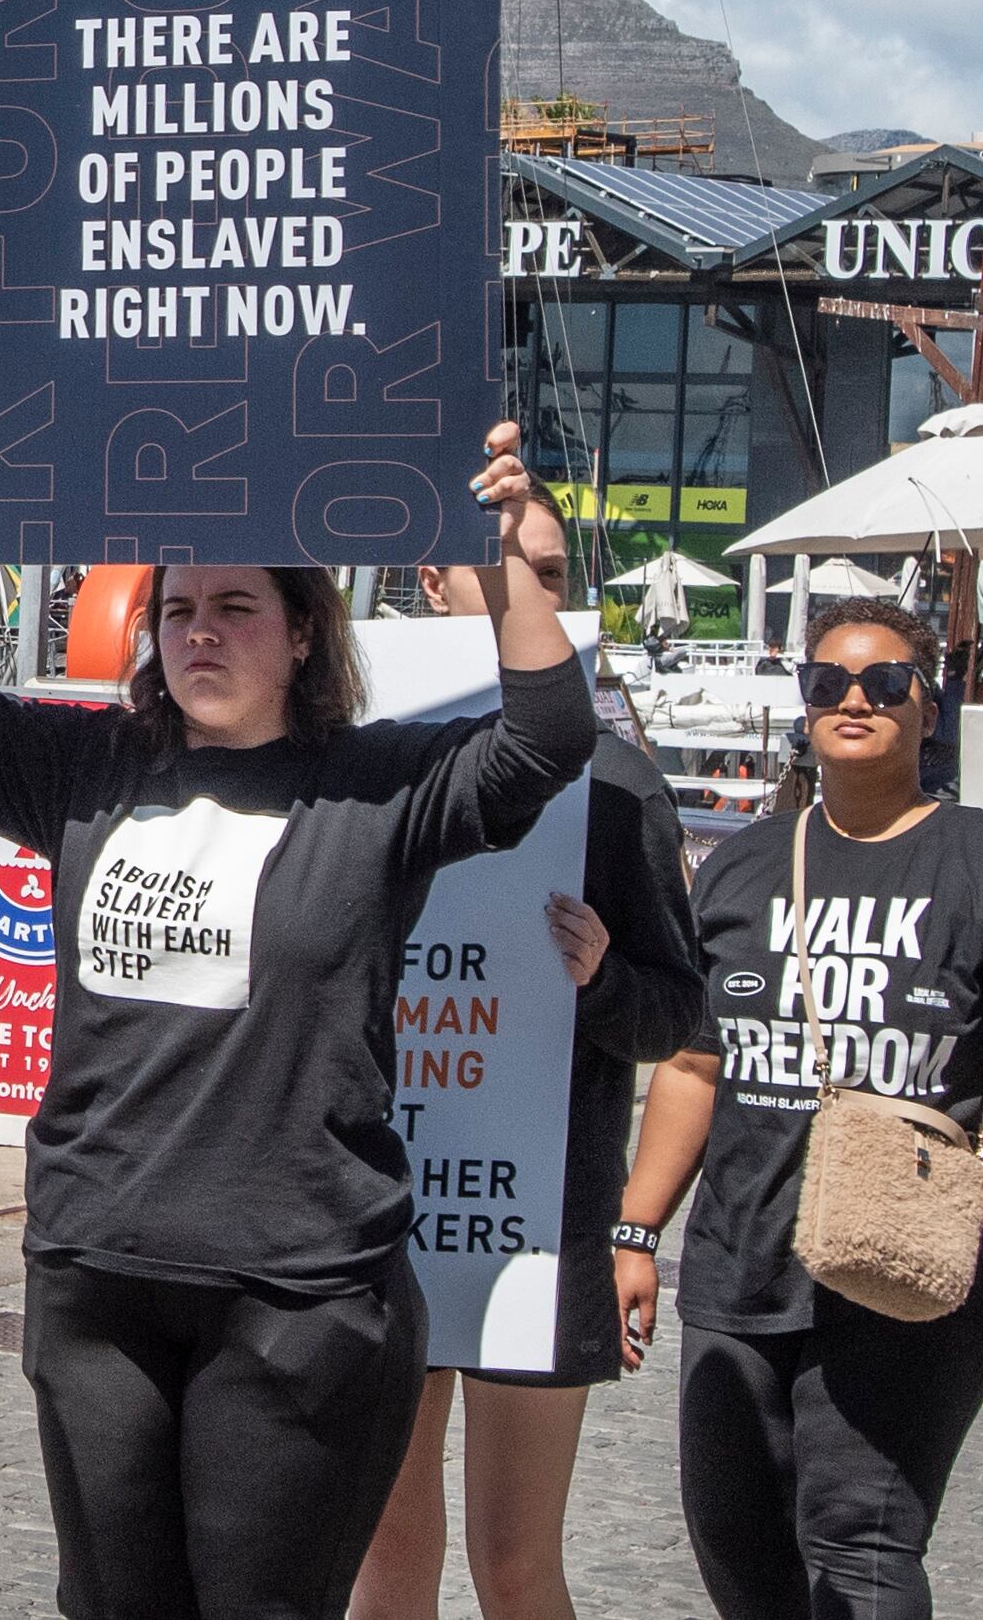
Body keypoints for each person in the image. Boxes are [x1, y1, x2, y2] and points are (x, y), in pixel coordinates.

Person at [0, 422, 594, 1619]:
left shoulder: (377, 784)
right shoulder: (86, 766)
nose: (200, 629)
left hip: (300, 1292)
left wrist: (504, 558)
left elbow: (546, 739)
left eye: (236, 607)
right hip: (97, 1272)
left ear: (304, 631)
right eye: (179, 609)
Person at [614, 597, 983, 1620]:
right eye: (826, 680)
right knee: (735, 1535)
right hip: (745, 1250)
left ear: (930, 707)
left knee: (860, 1534)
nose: (852, 698)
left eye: (883, 682)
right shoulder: (745, 862)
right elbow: (696, 1069)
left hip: (912, 1257)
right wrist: (634, 1228)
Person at [355, 518, 705, 1620]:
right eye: (501, 567)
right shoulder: (364, 755)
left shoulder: (616, 784)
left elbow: (676, 1018)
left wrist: (602, 979)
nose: (528, 592)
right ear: (430, 578)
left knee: (514, 1565)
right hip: (377, 1206)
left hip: (538, 1221)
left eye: (548, 573)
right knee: (385, 1556)